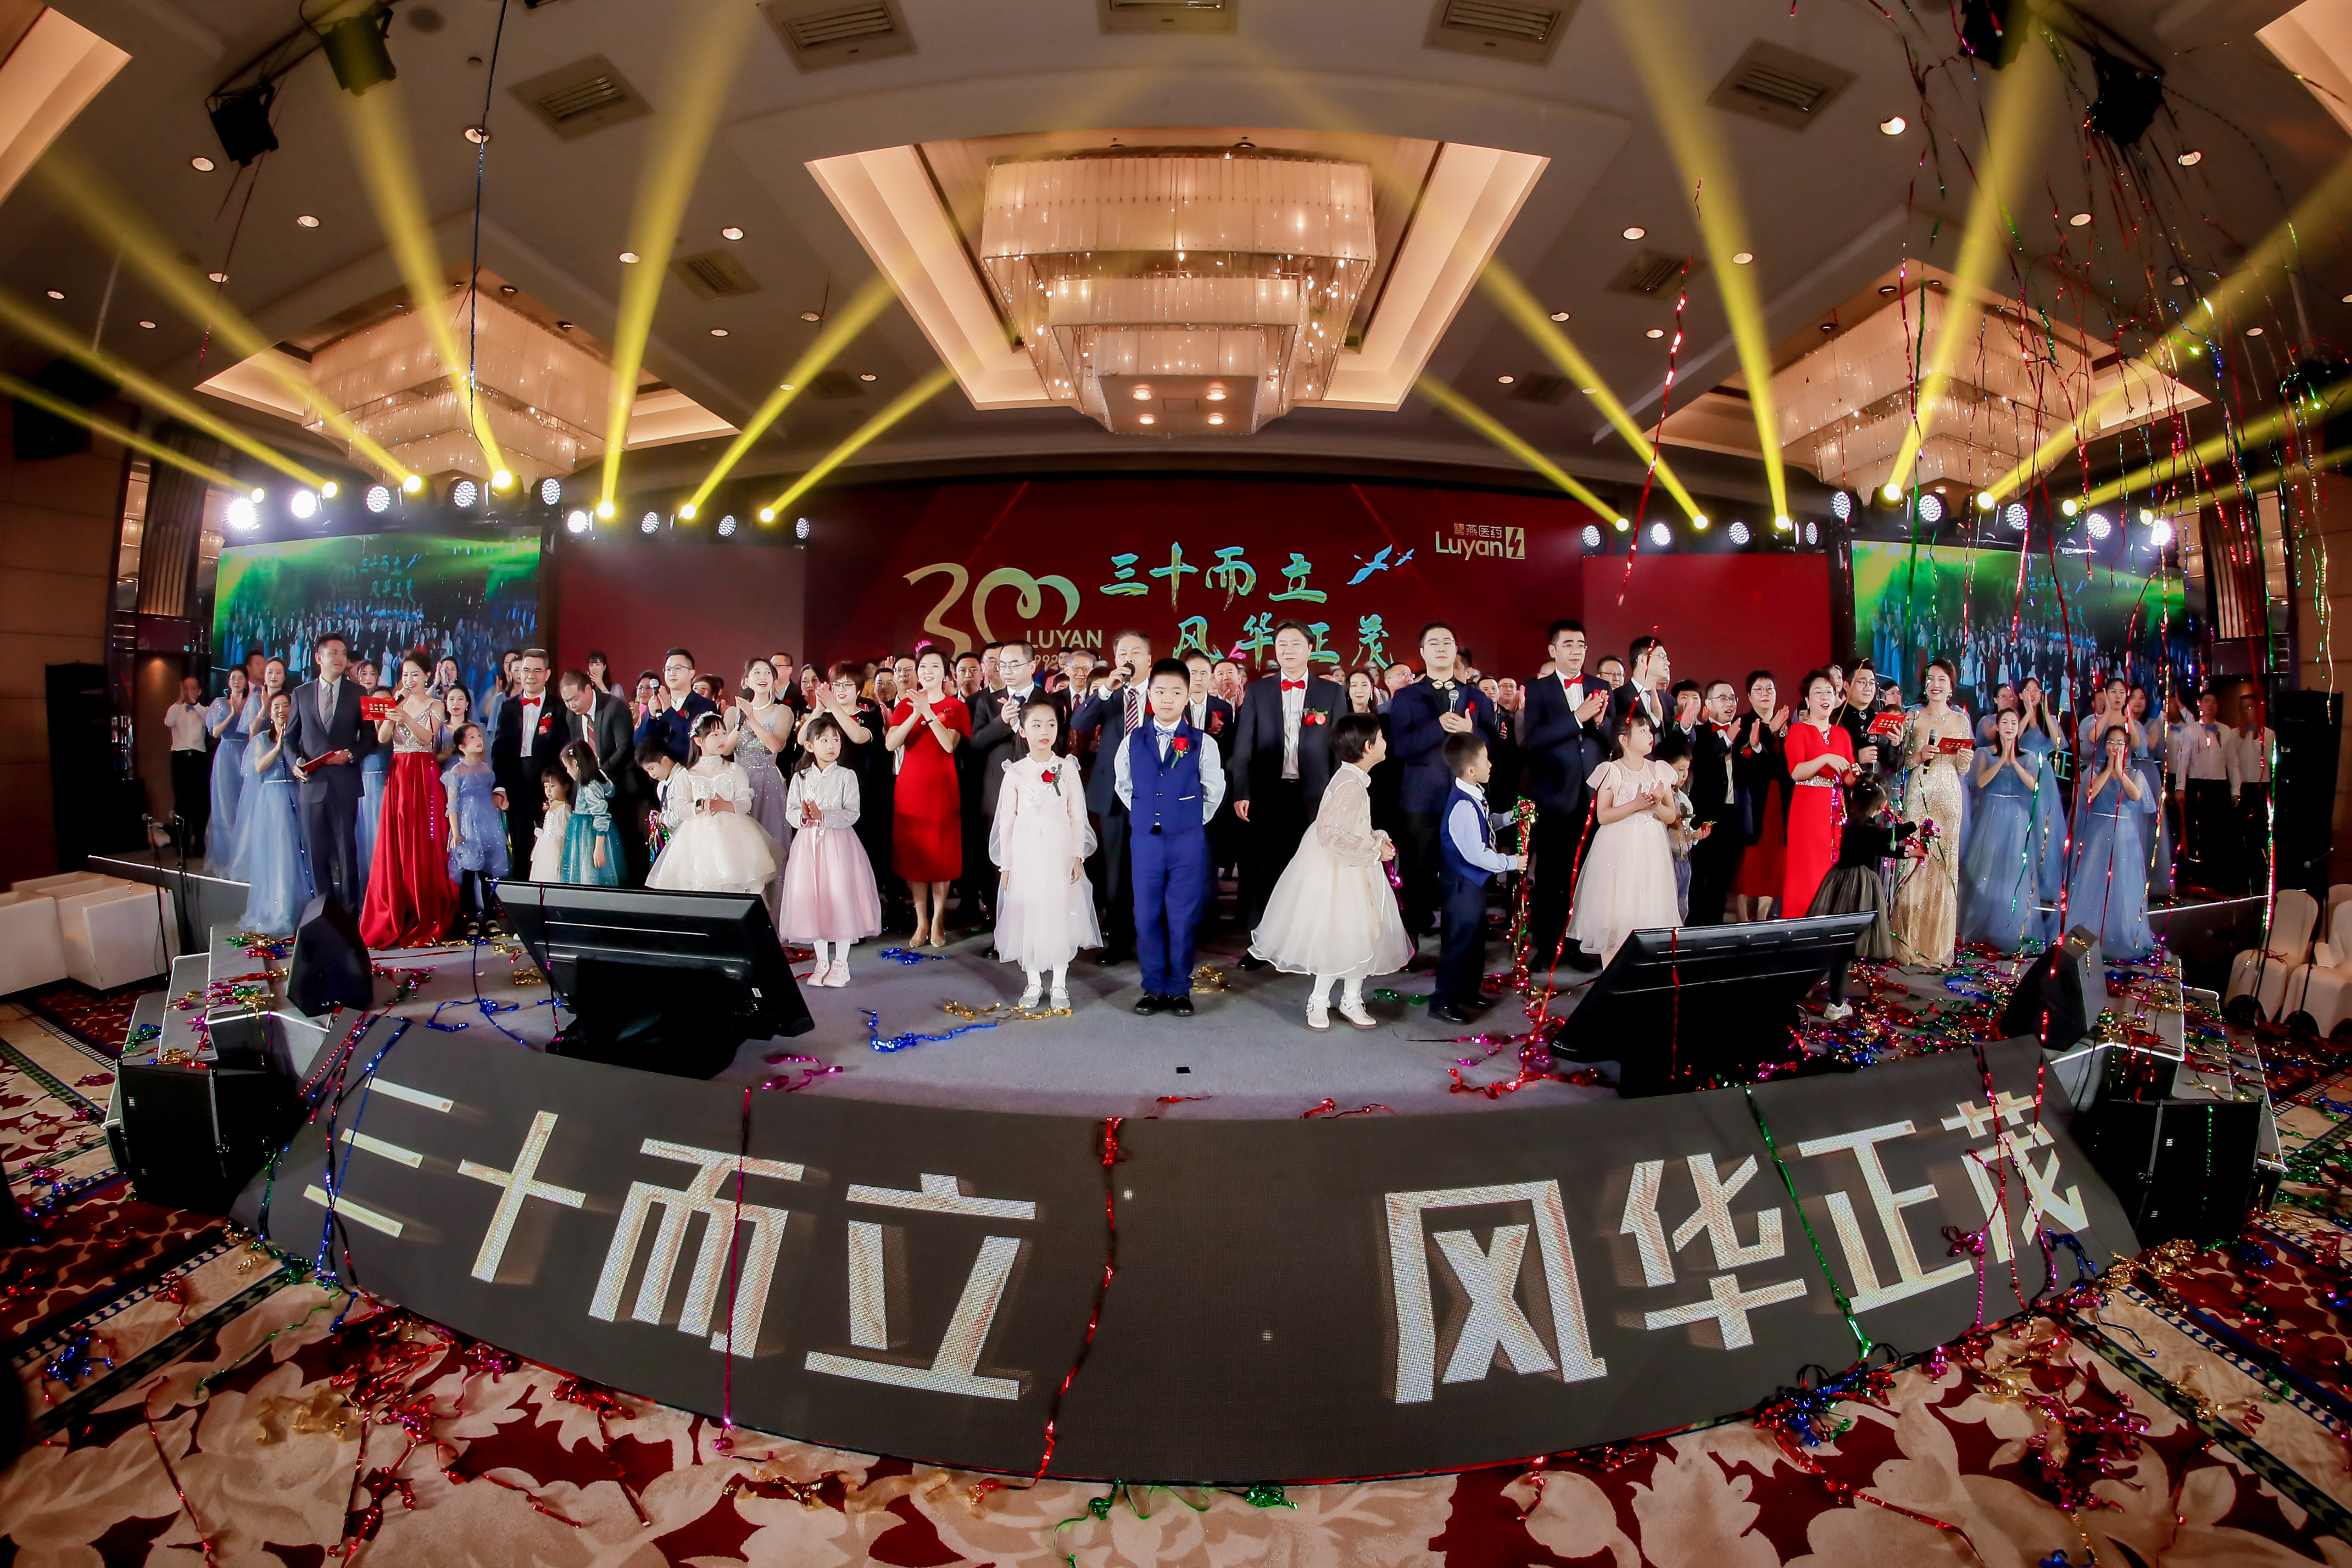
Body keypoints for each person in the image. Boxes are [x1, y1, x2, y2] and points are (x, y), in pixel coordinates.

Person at [1249, 711, 1410, 1030]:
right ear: (1368, 747)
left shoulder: (1354, 779)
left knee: (1365, 931)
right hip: (1341, 870)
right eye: (1381, 737)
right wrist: (1374, 849)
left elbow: (1352, 826)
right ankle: (1319, 999)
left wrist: (1376, 839)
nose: (1385, 742)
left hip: (1356, 863)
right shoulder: (1351, 785)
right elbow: (1331, 833)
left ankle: (1352, 997)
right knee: (1341, 933)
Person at [1114, 659, 1225, 1017]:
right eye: (1160, 691)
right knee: (1146, 915)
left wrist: (1189, 819)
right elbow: (1124, 785)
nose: (1167, 699)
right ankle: (1153, 987)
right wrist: (1147, 811)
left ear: (1187, 696)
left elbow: (1214, 789)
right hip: (1146, 841)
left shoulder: (1203, 742)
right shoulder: (1132, 740)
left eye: (1176, 692)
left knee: (1183, 915)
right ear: (1149, 695)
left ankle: (1179, 988)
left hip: (1187, 842)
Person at [1227, 621, 1344, 947]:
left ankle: (1305, 944)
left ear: (1310, 648)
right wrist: (1242, 791)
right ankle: (1260, 944)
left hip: (1314, 795)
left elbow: (1339, 749)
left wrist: (1338, 795)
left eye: (1295, 644)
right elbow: (1243, 745)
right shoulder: (1259, 690)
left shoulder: (1331, 692)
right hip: (1267, 793)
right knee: (1261, 871)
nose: (1288, 650)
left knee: (1309, 870)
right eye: (1282, 644)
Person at [1386, 621, 1500, 955]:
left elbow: (1495, 746)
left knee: (1464, 875)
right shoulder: (1406, 697)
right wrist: (1439, 726)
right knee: (1417, 876)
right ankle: (1410, 944)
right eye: (1433, 643)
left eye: (1447, 642)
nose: (1441, 648)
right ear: (1422, 652)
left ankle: (1458, 947)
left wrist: (1471, 732)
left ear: (1455, 651)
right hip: (1421, 800)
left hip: (1465, 801)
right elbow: (1400, 748)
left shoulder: (1475, 696)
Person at [990, 697, 1101, 1009]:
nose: (1045, 731)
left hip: (1058, 852)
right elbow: (1006, 822)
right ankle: (1034, 982)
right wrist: (1007, 865)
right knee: (1030, 915)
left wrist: (1077, 856)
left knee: (1059, 913)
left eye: (1051, 725)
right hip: (1026, 854)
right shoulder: (1016, 773)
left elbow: (1078, 815)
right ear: (1023, 731)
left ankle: (1060, 984)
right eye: (1037, 725)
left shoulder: (1066, 769)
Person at [1521, 620, 1614, 965]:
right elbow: (1533, 739)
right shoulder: (1538, 689)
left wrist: (1600, 721)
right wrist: (1577, 717)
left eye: (1581, 645)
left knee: (1588, 874)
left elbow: (1611, 742)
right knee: (1550, 875)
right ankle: (1547, 947)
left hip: (1593, 795)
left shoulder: (1600, 686)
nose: (1576, 651)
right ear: (1553, 650)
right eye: (1568, 644)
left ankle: (1578, 945)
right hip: (1554, 795)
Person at [1564, 710, 1681, 968]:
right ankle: (1611, 974)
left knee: (1647, 911)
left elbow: (1671, 815)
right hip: (1618, 849)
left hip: (1651, 849)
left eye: (1650, 731)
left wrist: (1655, 806)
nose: (1650, 735)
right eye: (1643, 731)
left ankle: (1638, 976)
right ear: (1624, 740)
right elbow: (1603, 816)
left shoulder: (1659, 770)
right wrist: (1636, 805)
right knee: (1615, 914)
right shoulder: (1612, 771)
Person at [360, 652, 458, 949]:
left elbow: (428, 738)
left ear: (427, 676)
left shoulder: (436, 705)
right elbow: (382, 739)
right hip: (399, 774)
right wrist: (394, 709)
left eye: (415, 674)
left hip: (423, 773)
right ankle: (398, 908)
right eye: (405, 675)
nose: (410, 680)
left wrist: (404, 717)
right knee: (398, 839)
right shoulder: (397, 702)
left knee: (424, 840)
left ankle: (426, 909)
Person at [1070, 629, 1154, 963]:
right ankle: (1119, 941)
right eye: (1123, 654)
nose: (1129, 659)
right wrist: (1106, 689)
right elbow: (1080, 721)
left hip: (1155, 795)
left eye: (1136, 652)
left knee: (1152, 869)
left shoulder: (1163, 693)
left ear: (1149, 659)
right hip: (1114, 796)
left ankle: (1153, 940)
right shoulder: (1111, 695)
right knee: (1116, 871)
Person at [1428, 732, 1524, 1025]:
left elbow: (1485, 826)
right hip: (1461, 885)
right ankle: (1443, 1000)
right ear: (1471, 770)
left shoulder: (1473, 794)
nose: (1490, 764)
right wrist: (1512, 862)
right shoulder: (1463, 806)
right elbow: (1477, 854)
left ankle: (1468, 991)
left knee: (1474, 939)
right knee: (1460, 942)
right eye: (1486, 760)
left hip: (1472, 884)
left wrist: (1508, 818)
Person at [781, 714, 883, 986]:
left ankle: (841, 964)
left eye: (835, 740)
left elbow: (852, 813)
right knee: (815, 900)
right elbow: (791, 812)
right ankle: (822, 962)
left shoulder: (846, 776)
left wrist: (824, 815)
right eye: (824, 740)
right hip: (809, 846)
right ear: (810, 746)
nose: (831, 745)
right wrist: (804, 816)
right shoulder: (801, 777)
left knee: (839, 898)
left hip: (838, 845)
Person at [886, 648, 971, 947]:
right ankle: (921, 921)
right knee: (915, 856)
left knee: (940, 854)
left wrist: (930, 713)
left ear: (946, 673)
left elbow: (949, 745)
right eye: (923, 666)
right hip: (910, 787)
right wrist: (915, 713)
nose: (928, 671)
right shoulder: (905, 705)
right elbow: (891, 743)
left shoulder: (956, 707)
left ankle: (938, 921)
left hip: (941, 788)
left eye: (935, 666)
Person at [1891, 659, 1972, 968]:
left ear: (1951, 687)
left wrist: (1964, 759)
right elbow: (1902, 762)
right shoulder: (1913, 717)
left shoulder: (1961, 720)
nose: (1935, 684)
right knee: (1914, 860)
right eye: (1930, 679)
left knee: (1943, 865)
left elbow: (1962, 769)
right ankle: (1907, 941)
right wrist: (1919, 754)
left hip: (1949, 798)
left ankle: (1935, 945)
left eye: (1941, 680)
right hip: (1919, 794)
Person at [286, 633, 374, 913]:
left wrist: (350, 754)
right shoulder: (301, 694)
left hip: (344, 783)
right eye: (333, 653)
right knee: (316, 853)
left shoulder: (358, 693)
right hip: (312, 784)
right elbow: (289, 739)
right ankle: (323, 915)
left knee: (347, 851)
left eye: (343, 653)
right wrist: (296, 762)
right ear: (319, 658)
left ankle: (351, 914)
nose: (340, 658)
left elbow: (369, 739)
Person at [1807, 774, 1908, 1020]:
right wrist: (1916, 826)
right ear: (1883, 804)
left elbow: (1880, 847)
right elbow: (1885, 837)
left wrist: (1909, 853)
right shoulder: (1864, 827)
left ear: (1854, 796)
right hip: (1856, 888)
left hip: (1842, 883)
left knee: (1841, 944)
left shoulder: (1857, 823)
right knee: (1844, 946)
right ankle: (1835, 1003)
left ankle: (1826, 994)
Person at [650, 712, 780, 897]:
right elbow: (680, 809)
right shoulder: (687, 775)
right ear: (699, 741)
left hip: (734, 836)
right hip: (697, 838)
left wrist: (726, 806)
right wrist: (701, 804)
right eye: (715, 735)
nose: (722, 738)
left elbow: (746, 803)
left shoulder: (735, 770)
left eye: (724, 733)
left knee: (735, 883)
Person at [1959, 708, 2052, 952]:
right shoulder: (1984, 753)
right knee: (1984, 870)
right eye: (2005, 722)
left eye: (2014, 723)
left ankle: (2011, 930)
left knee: (2013, 873)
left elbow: (2035, 786)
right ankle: (1978, 928)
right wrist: (2002, 760)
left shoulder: (2029, 757)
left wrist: (2014, 762)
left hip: (2018, 819)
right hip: (1990, 815)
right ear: (1998, 727)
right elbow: (1980, 782)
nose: (2010, 727)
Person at [2067, 726, 2159, 958]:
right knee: (2094, 881)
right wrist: (2109, 770)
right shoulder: (2095, 771)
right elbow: (2090, 794)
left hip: (2124, 834)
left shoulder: (2136, 773)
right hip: (2099, 832)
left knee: (2122, 883)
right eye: (2111, 742)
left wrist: (2120, 772)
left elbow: (2136, 796)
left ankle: (2120, 934)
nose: (2115, 747)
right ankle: (2087, 934)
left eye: (2120, 743)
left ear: (2127, 747)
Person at [557, 669, 652, 886]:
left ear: (588, 689)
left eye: (574, 699)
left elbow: (625, 749)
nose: (571, 705)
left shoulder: (614, 708)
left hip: (619, 786)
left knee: (625, 846)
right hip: (589, 787)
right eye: (567, 701)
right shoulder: (572, 716)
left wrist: (596, 776)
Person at [728, 657, 799, 925]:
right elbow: (726, 749)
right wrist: (740, 720)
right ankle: (744, 919)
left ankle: (775, 919)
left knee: (771, 850)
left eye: (767, 673)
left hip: (767, 784)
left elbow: (776, 746)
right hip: (738, 784)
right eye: (756, 672)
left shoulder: (782, 712)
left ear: (774, 680)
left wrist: (753, 719)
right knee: (741, 851)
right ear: (746, 680)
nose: (762, 677)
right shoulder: (732, 712)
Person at [236, 690, 313, 935]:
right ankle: (280, 909)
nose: (282, 710)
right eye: (276, 707)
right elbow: (259, 767)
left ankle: (303, 907)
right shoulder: (262, 739)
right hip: (272, 801)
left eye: (286, 706)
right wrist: (279, 745)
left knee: (299, 852)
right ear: (270, 713)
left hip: (298, 796)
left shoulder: (301, 735)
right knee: (279, 853)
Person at [1782, 671, 1857, 918]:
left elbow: (1848, 779)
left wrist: (1855, 773)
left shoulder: (1842, 734)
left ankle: (1829, 919)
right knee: (1806, 867)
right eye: (1818, 692)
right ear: (1807, 700)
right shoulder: (1798, 731)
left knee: (1831, 863)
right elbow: (1796, 772)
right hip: (1807, 807)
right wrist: (1825, 758)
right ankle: (1801, 919)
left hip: (1834, 809)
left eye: (1829, 692)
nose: (1825, 697)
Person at [492, 649, 561, 877]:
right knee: (520, 847)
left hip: (547, 785)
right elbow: (500, 749)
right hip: (517, 783)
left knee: (550, 845)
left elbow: (564, 748)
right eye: (526, 670)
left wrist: (559, 787)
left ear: (547, 674)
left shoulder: (559, 707)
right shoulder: (508, 706)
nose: (531, 676)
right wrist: (500, 786)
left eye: (537, 670)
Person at [1730, 671, 1790, 920]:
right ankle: (1743, 918)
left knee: (1775, 856)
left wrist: (1781, 732)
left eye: (1770, 689)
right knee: (1750, 858)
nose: (1765, 694)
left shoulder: (1788, 725)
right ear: (1749, 695)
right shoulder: (1743, 724)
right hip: (1752, 800)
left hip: (1780, 799)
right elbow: (1743, 759)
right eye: (1759, 689)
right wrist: (1769, 731)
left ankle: (1765, 916)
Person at [1686, 679, 1745, 927]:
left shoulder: (1742, 733)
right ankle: (1691, 931)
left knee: (1722, 881)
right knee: (1698, 878)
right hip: (1704, 815)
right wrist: (1726, 741)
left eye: (1732, 698)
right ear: (1708, 705)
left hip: (1733, 816)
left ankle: (1715, 931)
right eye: (1723, 698)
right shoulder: (1698, 734)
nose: (1729, 703)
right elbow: (1700, 759)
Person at [443, 722, 508, 939]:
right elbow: (452, 805)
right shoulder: (456, 771)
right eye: (472, 737)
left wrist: (500, 802)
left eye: (479, 736)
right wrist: (456, 832)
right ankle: (470, 917)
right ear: (461, 746)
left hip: (488, 823)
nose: (479, 740)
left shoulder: (487, 768)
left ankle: (490, 915)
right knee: (469, 874)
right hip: (467, 827)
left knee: (488, 873)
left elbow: (490, 794)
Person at [2174, 690, 2234, 892]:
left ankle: (2215, 877)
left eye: (2214, 701)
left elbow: (2232, 762)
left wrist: (2236, 789)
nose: (2210, 705)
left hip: (2219, 786)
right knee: (2194, 830)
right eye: (2207, 701)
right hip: (2197, 785)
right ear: (2200, 704)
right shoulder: (2191, 730)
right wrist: (2180, 787)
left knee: (2218, 832)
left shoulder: (2226, 731)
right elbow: (2183, 761)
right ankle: (2191, 876)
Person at [633, 648, 719, 766]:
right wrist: (651, 717)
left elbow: (695, 737)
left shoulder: (706, 705)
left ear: (691, 673)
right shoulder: (659, 703)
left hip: (690, 769)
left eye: (678, 668)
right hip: (661, 774)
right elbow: (638, 742)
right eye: (668, 669)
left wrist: (669, 712)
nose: (672, 673)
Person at [207, 665, 253, 873]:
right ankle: (226, 857)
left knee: (245, 804)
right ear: (228, 682)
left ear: (246, 681)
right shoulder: (219, 703)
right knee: (225, 805)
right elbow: (215, 732)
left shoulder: (252, 702)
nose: (236, 681)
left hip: (245, 752)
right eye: (233, 678)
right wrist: (231, 714)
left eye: (240, 678)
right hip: (226, 755)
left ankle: (243, 857)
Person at [2231, 694, 2275, 894]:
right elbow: (2232, 763)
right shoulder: (2235, 735)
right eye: (2243, 708)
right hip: (2241, 788)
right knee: (2239, 834)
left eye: (2250, 707)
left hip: (2261, 788)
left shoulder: (2269, 734)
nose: (2247, 712)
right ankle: (2242, 878)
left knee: (2260, 834)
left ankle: (2261, 878)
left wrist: (2259, 737)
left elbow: (2270, 762)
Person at [561, 740, 621, 886]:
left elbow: (601, 816)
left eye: (567, 767)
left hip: (589, 834)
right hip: (584, 832)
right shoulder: (589, 781)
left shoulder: (591, 785)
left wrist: (599, 848)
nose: (567, 772)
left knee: (590, 872)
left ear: (575, 763)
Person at [164, 676, 211, 854]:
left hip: (198, 759)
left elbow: (209, 723)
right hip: (180, 759)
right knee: (181, 802)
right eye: (186, 688)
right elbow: (168, 722)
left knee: (201, 802)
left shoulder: (205, 710)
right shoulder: (175, 709)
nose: (189, 691)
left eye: (193, 688)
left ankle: (200, 844)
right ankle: (181, 844)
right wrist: (180, 700)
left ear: (199, 691)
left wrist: (195, 703)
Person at [529, 768, 572, 883]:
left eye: (552, 786)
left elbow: (563, 835)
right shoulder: (553, 805)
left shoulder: (563, 809)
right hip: (545, 848)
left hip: (554, 851)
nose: (548, 791)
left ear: (566, 786)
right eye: (546, 786)